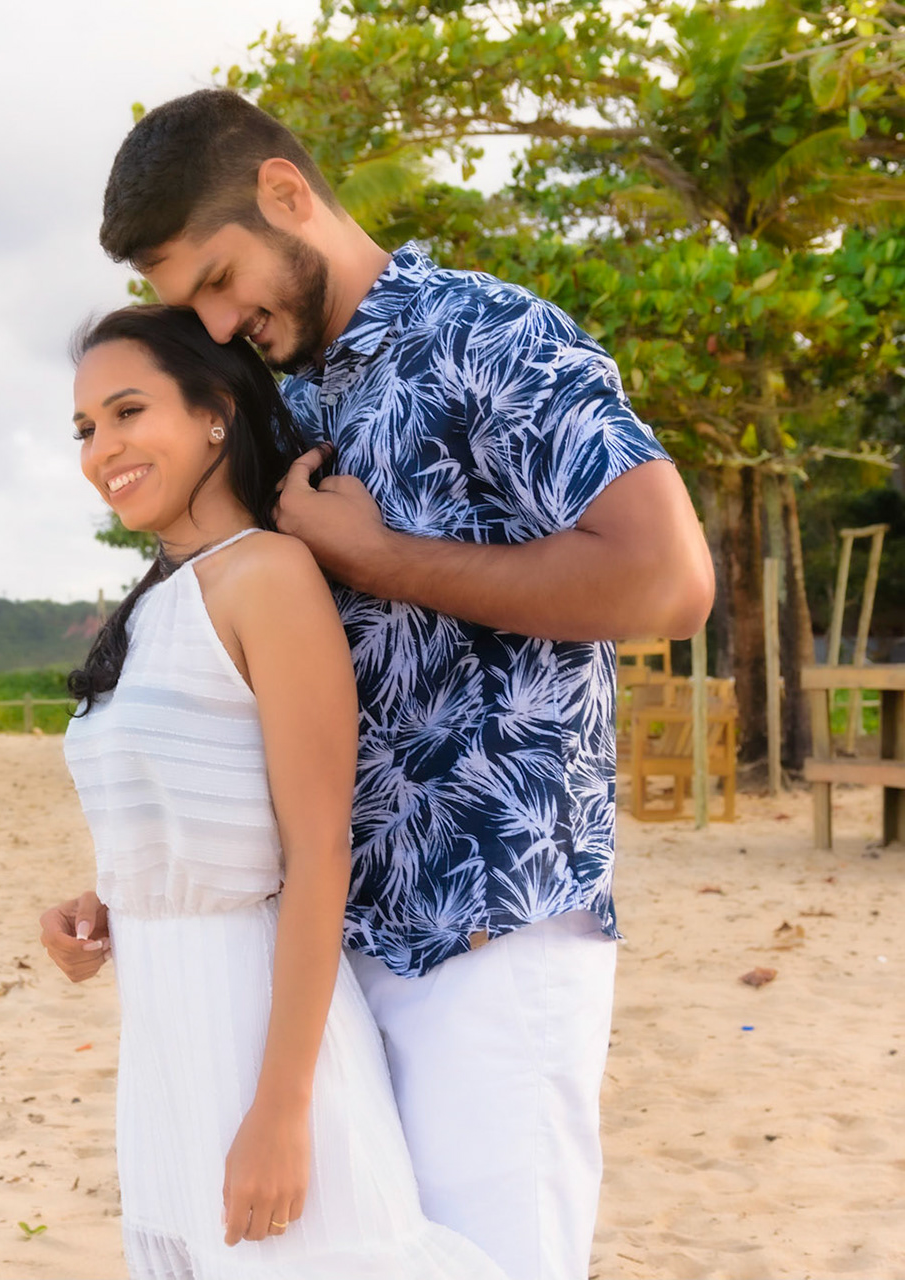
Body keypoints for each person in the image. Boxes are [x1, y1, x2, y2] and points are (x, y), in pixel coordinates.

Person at [47, 89, 716, 1280]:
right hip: (317, 958)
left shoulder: (490, 334)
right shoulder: (274, 394)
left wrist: (379, 557)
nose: (214, 317)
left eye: (219, 276)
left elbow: (669, 580)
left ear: (287, 194)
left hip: (489, 922)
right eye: (187, 300)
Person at [49, 304, 507, 1279]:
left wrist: (283, 1105)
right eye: (86, 427)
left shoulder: (268, 574)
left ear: (216, 411)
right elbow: (191, 821)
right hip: (163, 1040)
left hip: (262, 1029)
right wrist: (103, 909)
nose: (102, 448)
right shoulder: (153, 603)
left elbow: (317, 851)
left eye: (129, 411)